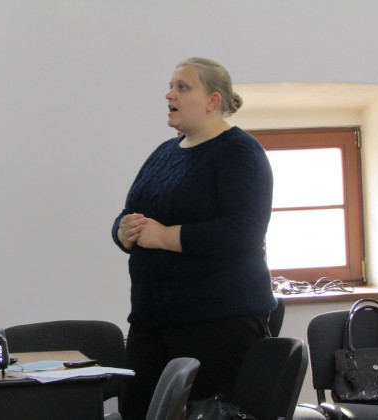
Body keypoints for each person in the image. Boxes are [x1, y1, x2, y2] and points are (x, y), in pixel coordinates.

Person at [111, 57, 277, 419]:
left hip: (217, 321)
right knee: (137, 411)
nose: (169, 94)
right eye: (171, 86)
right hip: (151, 319)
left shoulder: (240, 152)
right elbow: (130, 212)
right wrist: (123, 231)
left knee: (209, 412)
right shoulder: (164, 153)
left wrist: (165, 237)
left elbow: (243, 232)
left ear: (213, 100)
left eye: (182, 87)